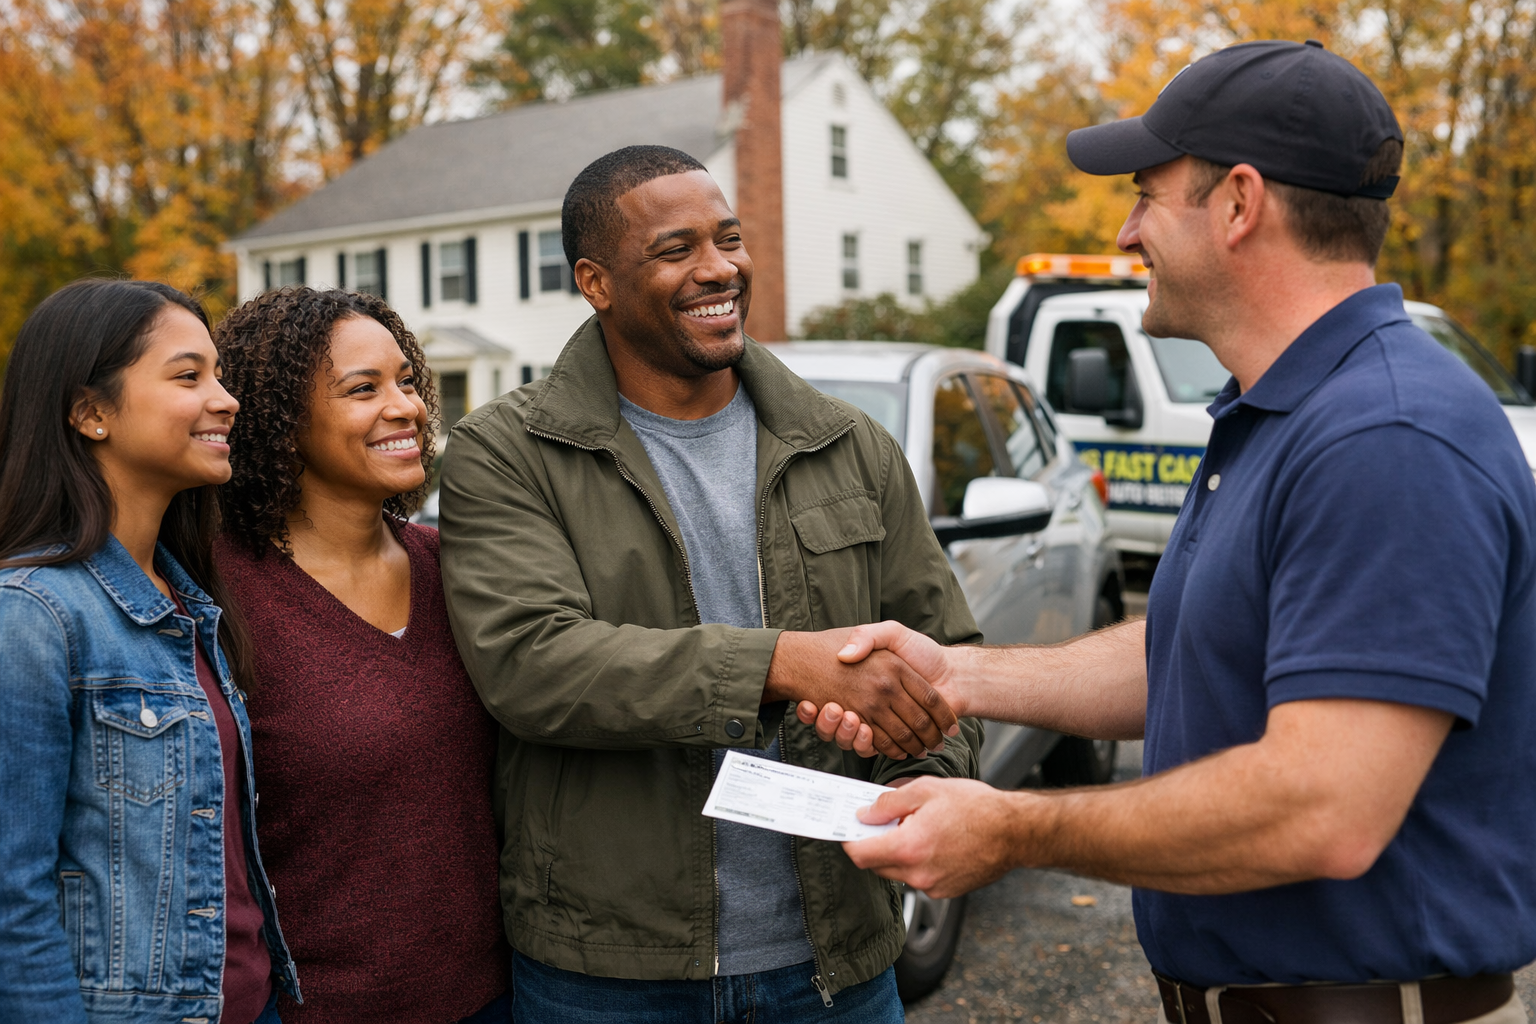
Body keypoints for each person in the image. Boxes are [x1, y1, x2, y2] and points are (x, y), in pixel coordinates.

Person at [810, 40, 1536, 1024]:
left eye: (1148, 195)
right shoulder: (1286, 410)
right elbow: (1190, 659)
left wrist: (1012, 830)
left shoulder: (1387, 435)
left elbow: (1323, 808)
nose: (1124, 232)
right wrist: (957, 676)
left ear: (1239, 204)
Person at [437, 144, 980, 1023]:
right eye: (675, 249)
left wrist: (923, 776)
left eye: (729, 239)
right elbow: (534, 665)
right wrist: (785, 665)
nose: (719, 268)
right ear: (596, 281)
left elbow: (946, 656)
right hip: (608, 972)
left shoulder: (849, 444)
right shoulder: (508, 453)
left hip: (832, 963)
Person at [0, 279, 298, 1023]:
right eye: (188, 376)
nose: (227, 399)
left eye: (220, 375)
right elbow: (11, 895)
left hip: (247, 1004)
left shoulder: (186, 597)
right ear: (90, 413)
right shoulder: (33, 615)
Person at [211, 286, 511, 1023]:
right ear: (282, 419)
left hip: (498, 998)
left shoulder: (459, 570)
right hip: (314, 1008)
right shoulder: (215, 596)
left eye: (407, 381)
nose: (407, 408)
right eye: (363, 389)